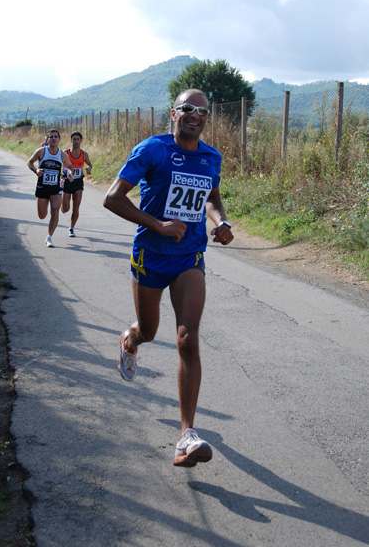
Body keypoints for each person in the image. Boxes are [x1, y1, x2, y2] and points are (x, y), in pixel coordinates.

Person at [103, 88, 234, 467]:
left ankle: (186, 435)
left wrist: (220, 221)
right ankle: (130, 340)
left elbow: (211, 196)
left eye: (202, 111)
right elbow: (113, 198)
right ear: (173, 114)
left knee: (188, 339)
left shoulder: (211, 156)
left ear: (207, 118)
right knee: (149, 330)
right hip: (151, 256)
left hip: (189, 257)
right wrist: (157, 224)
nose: (195, 115)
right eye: (187, 109)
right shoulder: (152, 150)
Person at [27, 129, 74, 248]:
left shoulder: (62, 155)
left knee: (55, 211)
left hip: (56, 187)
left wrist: (69, 173)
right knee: (42, 215)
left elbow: (69, 167)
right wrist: (36, 170)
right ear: (47, 139)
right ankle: (48, 234)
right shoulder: (41, 152)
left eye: (56, 137)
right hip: (42, 187)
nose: (53, 138)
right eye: (51, 137)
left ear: (59, 139)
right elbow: (30, 162)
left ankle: (49, 237)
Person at [61, 131, 92, 237]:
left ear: (81, 141)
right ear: (71, 140)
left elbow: (89, 163)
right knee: (66, 209)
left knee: (76, 206)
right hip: (67, 181)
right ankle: (62, 205)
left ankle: (71, 228)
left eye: (78, 139)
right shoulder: (65, 153)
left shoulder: (84, 154)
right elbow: (58, 164)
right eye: (74, 139)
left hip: (78, 182)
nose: (76, 141)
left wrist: (89, 168)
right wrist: (61, 173)